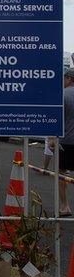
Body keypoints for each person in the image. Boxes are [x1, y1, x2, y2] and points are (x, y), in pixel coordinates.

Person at [58, 67, 74, 215]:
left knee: (62, 174)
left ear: (69, 79)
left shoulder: (62, 95)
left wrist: (51, 139)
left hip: (66, 141)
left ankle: (65, 206)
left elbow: (57, 119)